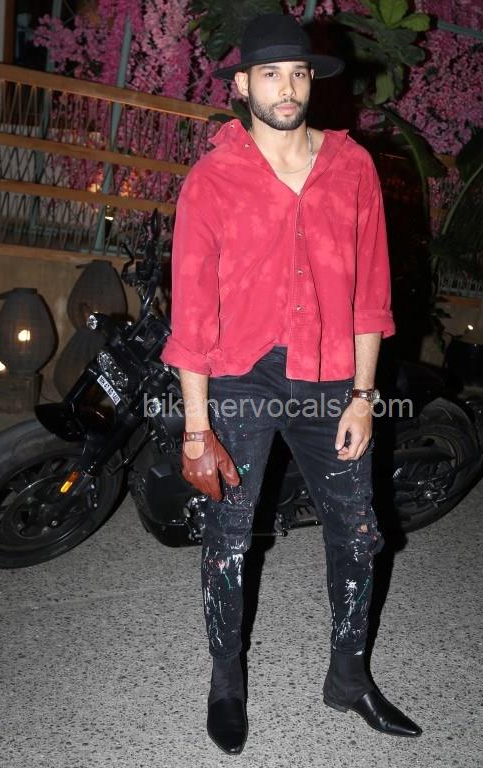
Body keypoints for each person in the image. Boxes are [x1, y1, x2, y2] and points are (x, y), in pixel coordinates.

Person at [159, 13, 421, 756]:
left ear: (313, 82)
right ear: (243, 86)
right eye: (270, 73)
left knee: (359, 532)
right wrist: (197, 428)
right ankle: (226, 683)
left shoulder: (353, 168)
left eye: (298, 73)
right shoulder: (212, 180)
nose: (286, 87)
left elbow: (371, 294)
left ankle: (349, 678)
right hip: (240, 378)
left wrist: (364, 396)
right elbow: (192, 317)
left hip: (330, 376)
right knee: (228, 537)